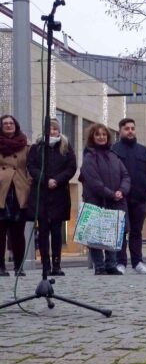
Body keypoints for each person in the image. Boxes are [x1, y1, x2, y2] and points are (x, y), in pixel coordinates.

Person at [27, 118, 77, 277]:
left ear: (59, 130)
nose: (52, 132)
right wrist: (45, 180)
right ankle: (45, 265)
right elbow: (31, 166)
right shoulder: (36, 148)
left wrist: (58, 180)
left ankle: (57, 264)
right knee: (43, 231)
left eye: (55, 129)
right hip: (42, 193)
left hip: (59, 194)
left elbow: (71, 167)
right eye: (49, 129)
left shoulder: (66, 147)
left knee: (56, 232)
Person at [79, 123, 131, 276]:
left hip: (115, 202)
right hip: (96, 201)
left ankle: (111, 264)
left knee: (112, 234)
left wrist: (122, 190)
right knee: (95, 235)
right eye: (97, 134)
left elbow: (126, 175)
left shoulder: (114, 156)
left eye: (104, 134)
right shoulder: (89, 156)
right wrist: (111, 193)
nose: (101, 137)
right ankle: (99, 266)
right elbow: (93, 181)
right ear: (92, 137)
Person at [112, 117, 146, 275]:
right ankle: (120, 262)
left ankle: (137, 262)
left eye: (132, 128)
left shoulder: (144, 151)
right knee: (121, 232)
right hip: (120, 199)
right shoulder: (113, 150)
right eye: (126, 129)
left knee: (136, 232)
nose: (130, 131)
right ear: (120, 131)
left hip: (140, 198)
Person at [0, 115, 31, 277]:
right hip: (1, 190)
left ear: (16, 125)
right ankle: (1, 267)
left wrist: (29, 182)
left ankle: (19, 266)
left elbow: (31, 166)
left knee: (18, 233)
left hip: (19, 189)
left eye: (11, 123)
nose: (8, 125)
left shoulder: (25, 145)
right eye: (5, 123)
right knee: (0, 232)